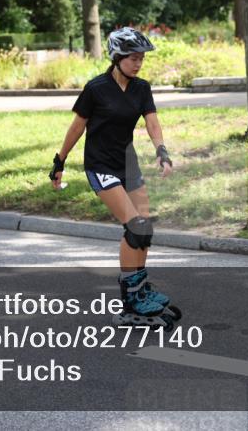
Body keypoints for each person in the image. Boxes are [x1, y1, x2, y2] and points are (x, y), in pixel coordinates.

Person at [49, 27, 180, 327]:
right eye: (133, 58)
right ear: (117, 57)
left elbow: (152, 122)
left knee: (144, 229)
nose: (139, 63)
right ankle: (130, 302)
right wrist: (60, 162)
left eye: (141, 59)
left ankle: (140, 288)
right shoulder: (96, 88)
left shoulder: (141, 88)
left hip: (127, 162)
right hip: (100, 165)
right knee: (134, 228)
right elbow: (76, 127)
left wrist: (162, 151)